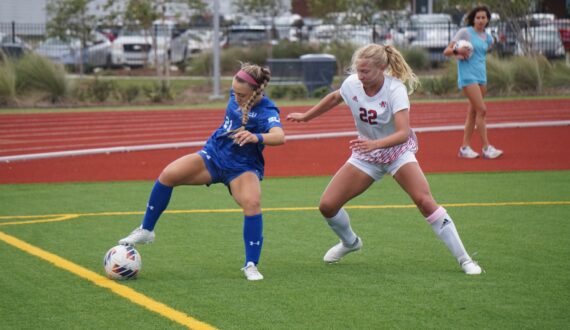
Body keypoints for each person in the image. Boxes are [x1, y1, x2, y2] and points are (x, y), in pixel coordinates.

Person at [286, 44, 482, 275]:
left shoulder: (394, 89)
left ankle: (465, 259)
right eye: (358, 71)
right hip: (366, 154)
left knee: (425, 202)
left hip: (397, 152)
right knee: (327, 206)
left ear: (382, 68)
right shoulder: (353, 84)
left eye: (365, 71)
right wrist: (307, 117)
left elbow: (402, 133)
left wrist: (375, 144)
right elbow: (335, 97)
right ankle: (350, 243)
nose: (360, 76)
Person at [118, 63, 286, 281]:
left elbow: (280, 136)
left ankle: (251, 264)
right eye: (233, 92)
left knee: (252, 203)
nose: (236, 97)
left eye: (241, 94)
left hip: (242, 167)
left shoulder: (267, 109)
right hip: (213, 156)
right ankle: (147, 230)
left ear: (255, 92)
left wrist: (257, 137)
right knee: (168, 174)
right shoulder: (236, 94)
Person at [443, 5, 503, 159]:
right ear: (473, 19)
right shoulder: (465, 32)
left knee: (473, 113)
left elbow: (480, 57)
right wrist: (458, 51)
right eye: (478, 17)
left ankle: (464, 148)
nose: (481, 20)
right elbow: (447, 51)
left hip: (481, 77)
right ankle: (486, 148)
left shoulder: (487, 37)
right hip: (468, 77)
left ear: (488, 19)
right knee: (482, 110)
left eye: (484, 17)